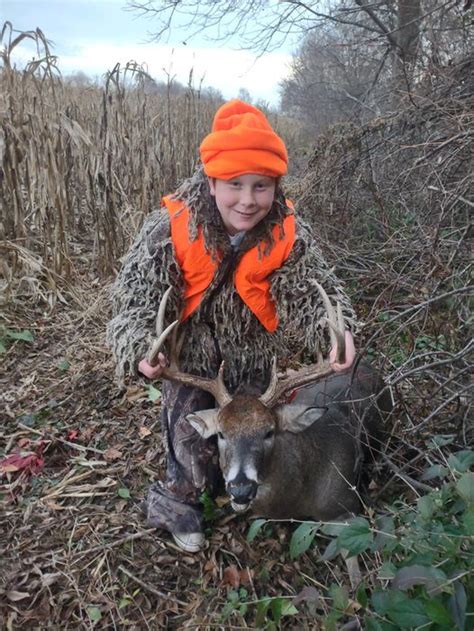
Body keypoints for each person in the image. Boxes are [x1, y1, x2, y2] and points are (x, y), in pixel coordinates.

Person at [107, 100, 357, 552]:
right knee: (189, 442)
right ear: (211, 181)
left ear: (275, 187)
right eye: (234, 184)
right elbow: (136, 300)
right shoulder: (171, 228)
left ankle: (258, 495)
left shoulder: (286, 231)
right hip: (190, 360)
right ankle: (180, 507)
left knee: (260, 440)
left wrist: (333, 332)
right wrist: (142, 346)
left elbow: (312, 288)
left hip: (253, 359)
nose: (247, 199)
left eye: (261, 186)